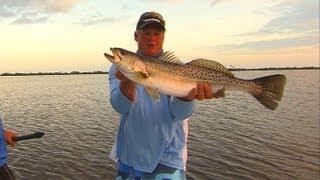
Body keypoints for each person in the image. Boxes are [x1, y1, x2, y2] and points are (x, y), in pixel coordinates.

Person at [108, 11, 221, 180]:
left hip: (168, 159)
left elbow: (181, 114)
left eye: (157, 33)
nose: (151, 38)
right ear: (136, 35)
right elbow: (120, 107)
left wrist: (187, 97)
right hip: (129, 156)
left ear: (163, 36)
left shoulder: (181, 69)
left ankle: (256, 88)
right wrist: (128, 82)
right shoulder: (118, 70)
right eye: (146, 33)